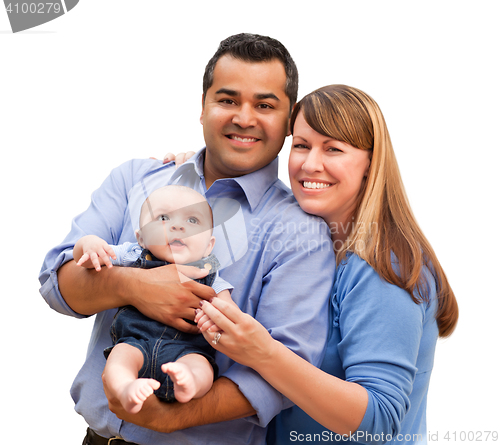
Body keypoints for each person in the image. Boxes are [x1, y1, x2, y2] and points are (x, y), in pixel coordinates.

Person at [38, 34, 336, 444]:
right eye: (227, 100)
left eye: (265, 105)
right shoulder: (136, 179)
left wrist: (170, 418)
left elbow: (286, 373)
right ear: (202, 107)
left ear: (289, 122)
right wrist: (135, 285)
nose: (244, 118)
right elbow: (57, 285)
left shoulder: (302, 233)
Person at [195, 84, 459, 444]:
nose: (310, 164)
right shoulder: (310, 247)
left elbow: (378, 421)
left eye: (333, 149)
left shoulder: (382, 266)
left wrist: (263, 352)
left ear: (371, 163)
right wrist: (193, 174)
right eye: (301, 145)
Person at [73, 185, 233, 413]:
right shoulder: (131, 254)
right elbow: (87, 260)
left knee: (202, 367)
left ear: (209, 245)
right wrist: (88, 245)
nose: (178, 226)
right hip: (134, 342)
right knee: (119, 360)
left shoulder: (209, 273)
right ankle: (126, 388)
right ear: (141, 238)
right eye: (164, 218)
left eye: (193, 221)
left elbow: (229, 313)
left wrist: (219, 319)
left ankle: (189, 383)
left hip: (187, 350)